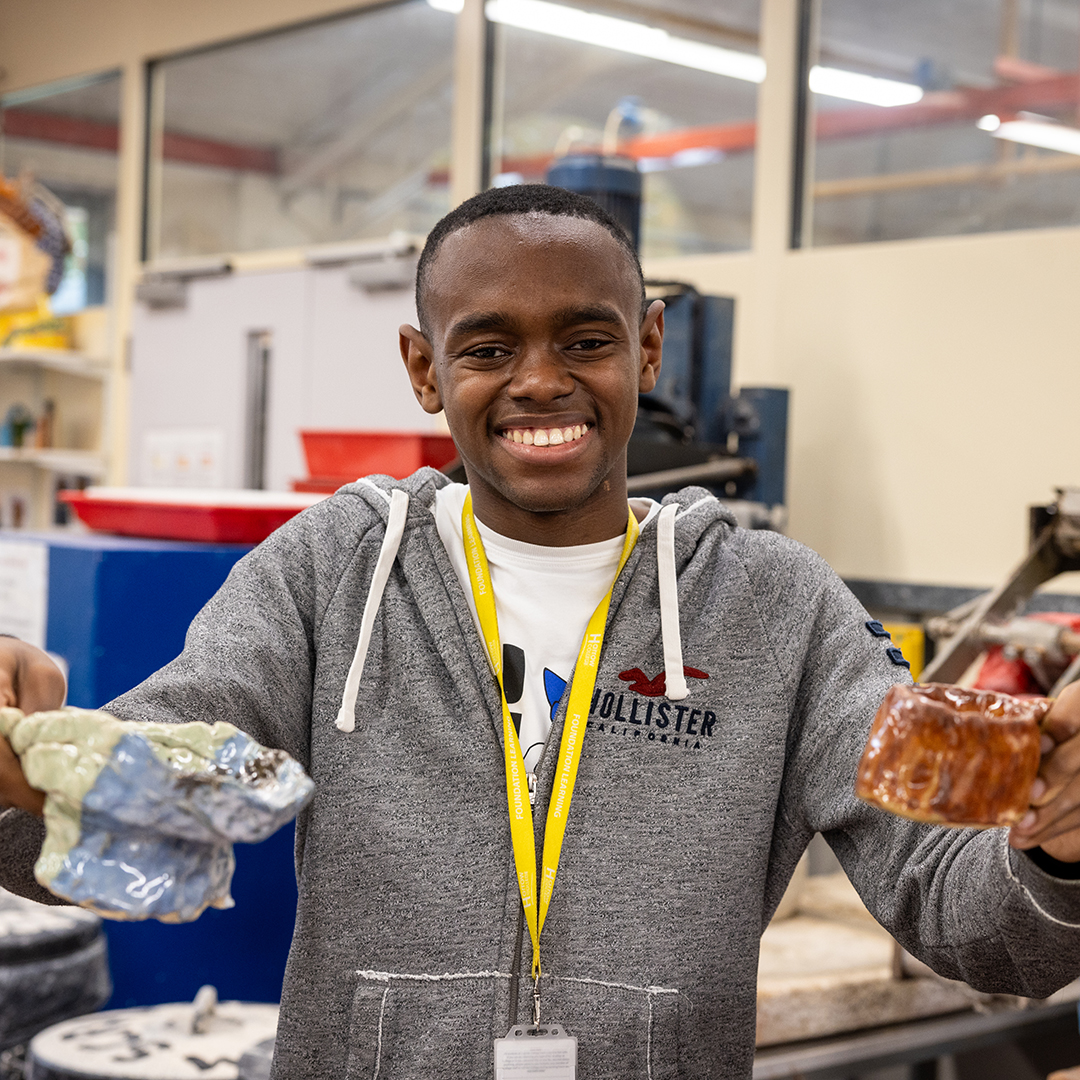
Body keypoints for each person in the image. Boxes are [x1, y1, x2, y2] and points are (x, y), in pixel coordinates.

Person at [3, 184, 1080, 1079]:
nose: (540, 381)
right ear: (426, 370)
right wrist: (20, 757)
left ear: (647, 348)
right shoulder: (330, 572)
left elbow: (980, 928)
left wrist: (1058, 845)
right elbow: (125, 828)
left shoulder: (777, 609)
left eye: (586, 339)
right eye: (487, 346)